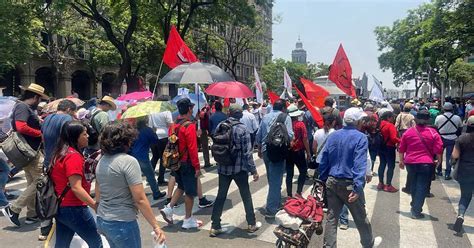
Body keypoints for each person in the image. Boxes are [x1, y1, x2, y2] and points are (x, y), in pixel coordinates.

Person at [319, 107, 382, 248]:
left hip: (331, 180)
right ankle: (368, 243)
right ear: (358, 121)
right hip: (349, 183)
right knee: (360, 217)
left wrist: (322, 179)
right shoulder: (360, 137)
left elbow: (324, 160)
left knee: (331, 218)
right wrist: (358, 186)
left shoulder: (333, 135)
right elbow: (360, 163)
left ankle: (329, 246)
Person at [96, 122, 165, 247]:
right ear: (126, 140)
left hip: (103, 219)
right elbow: (140, 199)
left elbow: (98, 193)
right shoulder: (128, 161)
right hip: (122, 222)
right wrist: (156, 226)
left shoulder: (102, 160)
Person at [209, 104, 262, 237]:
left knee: (221, 196)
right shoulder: (242, 129)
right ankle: (251, 224)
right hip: (239, 169)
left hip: (223, 167)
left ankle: (215, 226)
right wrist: (253, 170)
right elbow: (247, 153)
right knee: (246, 196)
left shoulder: (220, 125)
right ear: (240, 115)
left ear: (229, 113)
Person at [50, 121, 102, 247]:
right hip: (74, 208)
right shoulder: (73, 156)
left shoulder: (60, 152)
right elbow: (76, 188)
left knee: (62, 244)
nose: (88, 136)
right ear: (75, 137)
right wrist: (94, 205)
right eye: (84, 134)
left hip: (60, 206)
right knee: (96, 243)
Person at [2, 83, 48, 227]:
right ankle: (13, 208)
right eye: (39, 99)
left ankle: (32, 215)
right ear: (35, 97)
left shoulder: (23, 107)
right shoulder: (22, 107)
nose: (39, 102)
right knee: (41, 180)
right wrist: (40, 133)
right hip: (29, 150)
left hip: (29, 151)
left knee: (32, 182)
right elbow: (21, 127)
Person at [160, 98, 203, 229]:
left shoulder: (174, 125)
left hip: (176, 161)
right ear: (189, 109)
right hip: (187, 162)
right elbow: (192, 148)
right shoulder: (189, 125)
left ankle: (169, 208)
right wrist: (197, 166)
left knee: (181, 186)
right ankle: (188, 219)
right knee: (190, 191)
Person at [38, 99, 77, 240]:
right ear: (68, 110)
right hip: (60, 161)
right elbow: (71, 139)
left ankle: (44, 229)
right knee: (64, 194)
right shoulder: (66, 119)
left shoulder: (48, 118)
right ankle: (67, 225)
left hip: (48, 160)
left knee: (48, 194)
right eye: (74, 112)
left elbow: (42, 136)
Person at [399, 110, 443, 219]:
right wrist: (439, 161)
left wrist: (401, 161)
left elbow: (401, 148)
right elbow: (439, 149)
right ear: (428, 120)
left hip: (410, 162)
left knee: (414, 184)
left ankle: (414, 204)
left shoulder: (408, 132)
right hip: (426, 163)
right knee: (422, 187)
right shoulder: (433, 133)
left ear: (416, 119)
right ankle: (416, 210)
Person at [256, 99, 294, 218]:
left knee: (272, 178)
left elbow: (258, 135)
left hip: (266, 150)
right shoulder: (285, 117)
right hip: (278, 151)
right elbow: (290, 135)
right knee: (275, 180)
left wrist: (259, 148)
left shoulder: (265, 117)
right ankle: (271, 209)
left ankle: (276, 201)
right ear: (283, 108)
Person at [130, 117, 166, 200]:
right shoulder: (148, 130)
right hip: (142, 156)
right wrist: (154, 132)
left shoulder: (133, 130)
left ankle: (133, 195)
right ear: (145, 121)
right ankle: (156, 193)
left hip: (132, 156)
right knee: (150, 176)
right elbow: (155, 141)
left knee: (133, 178)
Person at [452, 116, 474, 233]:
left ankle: (460, 215)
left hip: (465, 171)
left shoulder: (462, 138)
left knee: (465, 196)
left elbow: (455, 156)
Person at [285, 104, 310, 197]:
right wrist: (308, 152)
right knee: (303, 171)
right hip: (298, 151)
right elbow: (305, 139)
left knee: (289, 173)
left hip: (288, 151)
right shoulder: (300, 124)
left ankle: (289, 194)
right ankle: (299, 192)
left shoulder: (285, 124)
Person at [434, 102, 463, 180]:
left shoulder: (439, 117)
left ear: (443, 109)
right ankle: (447, 173)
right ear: (452, 109)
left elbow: (436, 127)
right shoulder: (457, 118)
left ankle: (439, 170)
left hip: (441, 138)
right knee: (449, 156)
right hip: (452, 138)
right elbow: (460, 128)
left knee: (439, 155)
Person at [378, 111, 400, 193]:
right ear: (388, 117)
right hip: (389, 147)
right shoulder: (390, 126)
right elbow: (393, 138)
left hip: (381, 147)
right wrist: (401, 141)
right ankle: (388, 185)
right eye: (392, 117)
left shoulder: (380, 124)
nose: (393, 119)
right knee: (391, 166)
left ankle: (380, 183)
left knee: (382, 164)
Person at [149, 110, 173, 184]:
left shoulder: (152, 112)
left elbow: (150, 125)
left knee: (155, 156)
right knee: (164, 158)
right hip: (164, 136)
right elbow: (170, 124)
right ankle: (161, 178)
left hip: (154, 135)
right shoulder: (166, 111)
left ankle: (150, 177)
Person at [313, 113, 336, 178]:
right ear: (333, 122)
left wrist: (316, 154)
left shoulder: (317, 132)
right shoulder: (335, 133)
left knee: (319, 180)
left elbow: (314, 147)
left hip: (319, 160)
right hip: (330, 161)